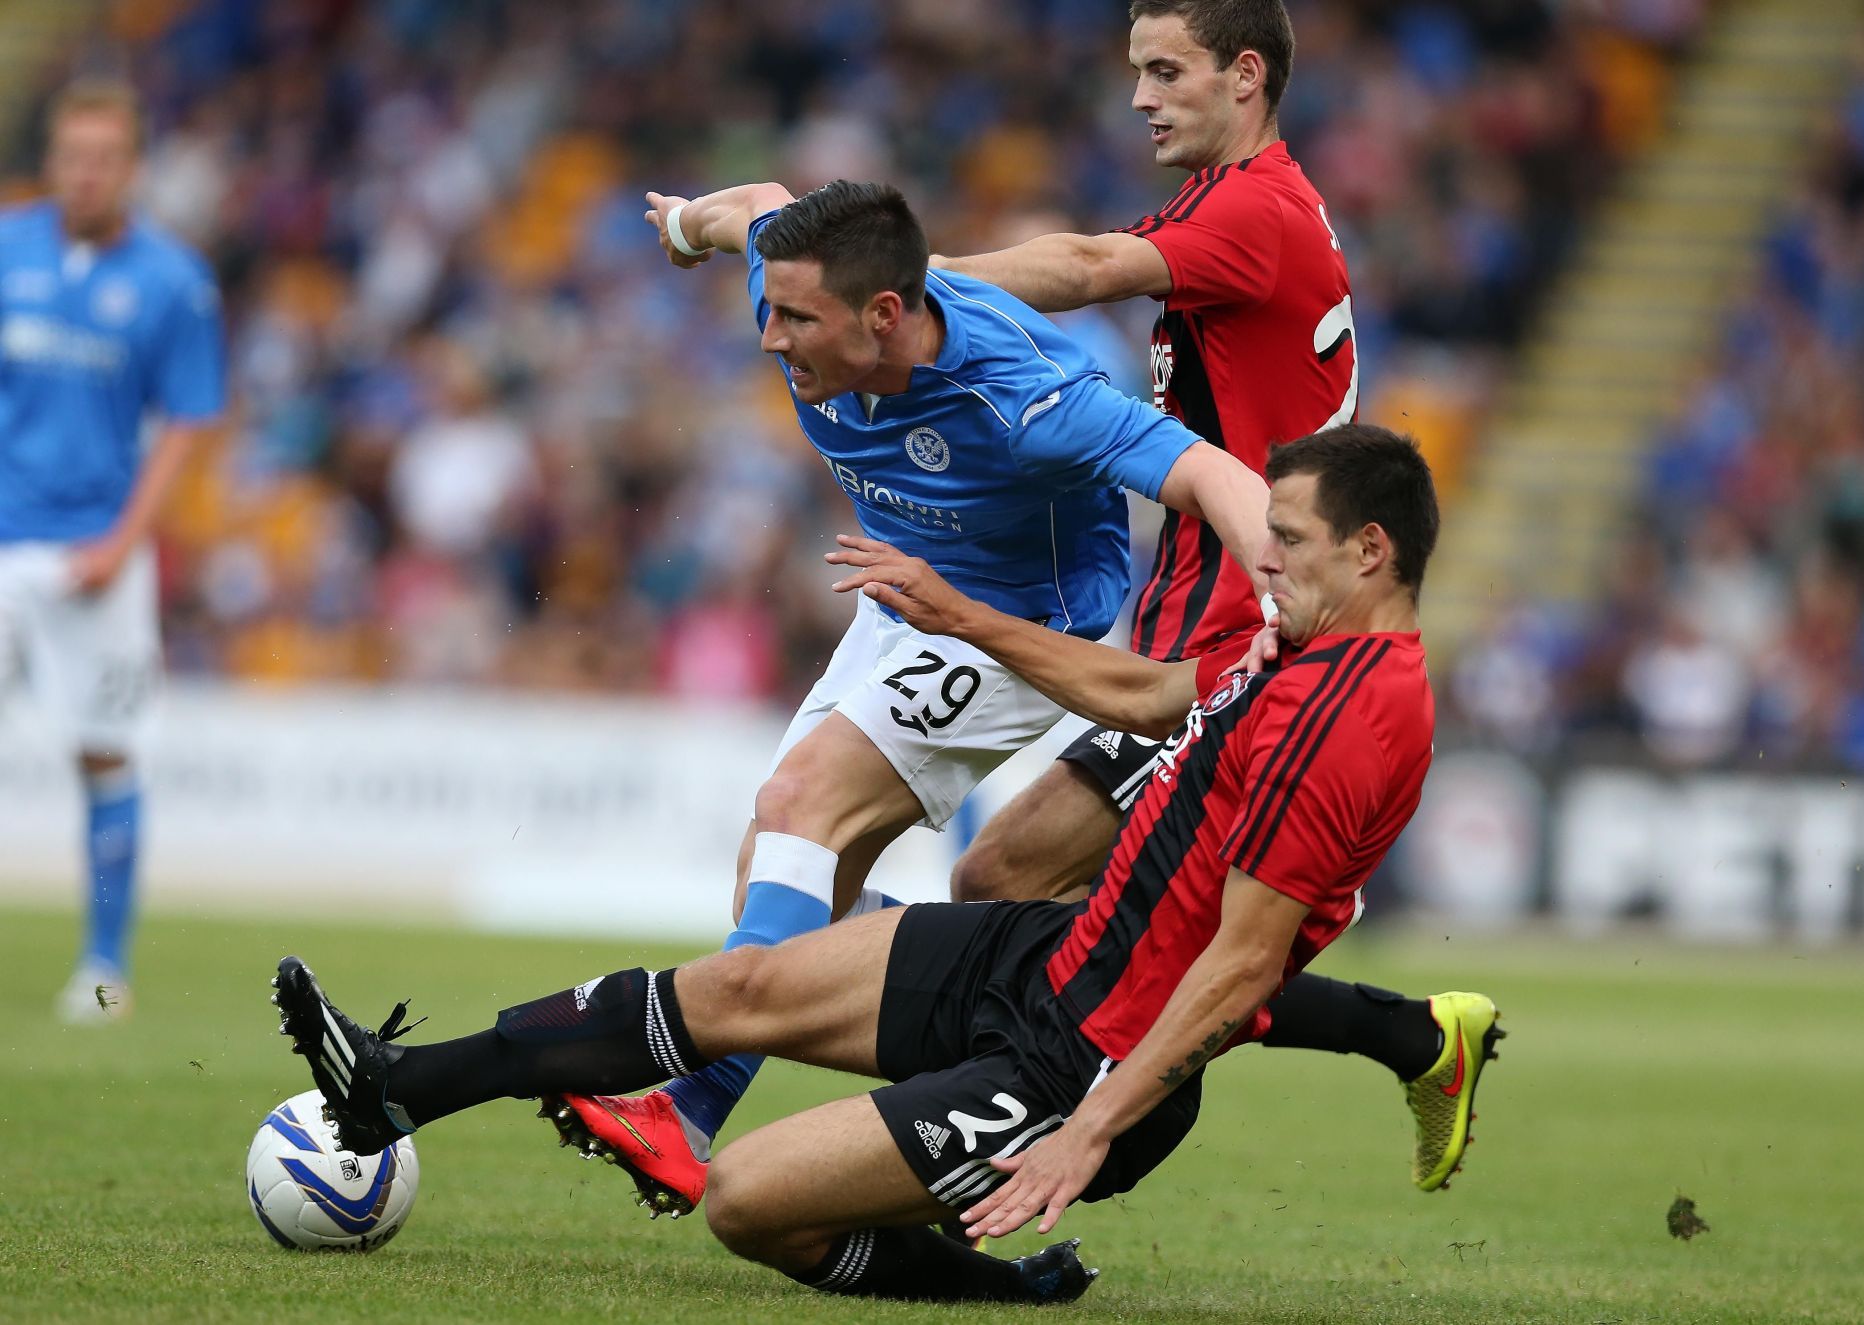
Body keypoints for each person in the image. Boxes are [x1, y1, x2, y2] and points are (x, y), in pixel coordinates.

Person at [276, 424, 1483, 1304]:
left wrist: (1092, 1128)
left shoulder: (1355, 717)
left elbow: (1240, 965)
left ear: (1371, 550)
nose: (1261, 559)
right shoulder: (1293, 646)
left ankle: (999, 1286)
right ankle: (396, 1085)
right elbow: (1143, 690)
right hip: (1044, 952)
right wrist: (960, 614)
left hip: (1082, 1060)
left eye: (1288, 538)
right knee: (743, 986)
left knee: (745, 1198)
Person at [588, 177, 1272, 1215]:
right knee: (777, 874)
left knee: (800, 804)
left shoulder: (1029, 398)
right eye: (768, 307)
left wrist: (1286, 583)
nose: (772, 337)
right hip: (901, 583)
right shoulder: (800, 270)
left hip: (1018, 621)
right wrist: (685, 228)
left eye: (797, 320)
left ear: (885, 316)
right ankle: (1006, 994)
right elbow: (757, 206)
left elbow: (1205, 469)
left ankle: (682, 1106)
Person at [932, 0, 1491, 1191]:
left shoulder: (1253, 209)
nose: (1139, 96)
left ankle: (989, 1142)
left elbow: (1082, 267)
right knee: (1141, 932)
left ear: (1246, 75)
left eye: (1165, 70)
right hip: (1211, 621)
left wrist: (902, 289)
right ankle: (1409, 1035)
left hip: (1240, 636)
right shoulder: (1229, 207)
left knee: (1008, 880)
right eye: (1135, 70)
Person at [0, 78, 225, 1022]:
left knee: (105, 752)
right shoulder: (9, 246)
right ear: (50, 160)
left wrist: (124, 543)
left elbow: (187, 422)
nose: (84, 173)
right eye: (70, 155)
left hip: (96, 551)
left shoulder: (175, 282)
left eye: (103, 157)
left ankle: (102, 966)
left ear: (131, 168)